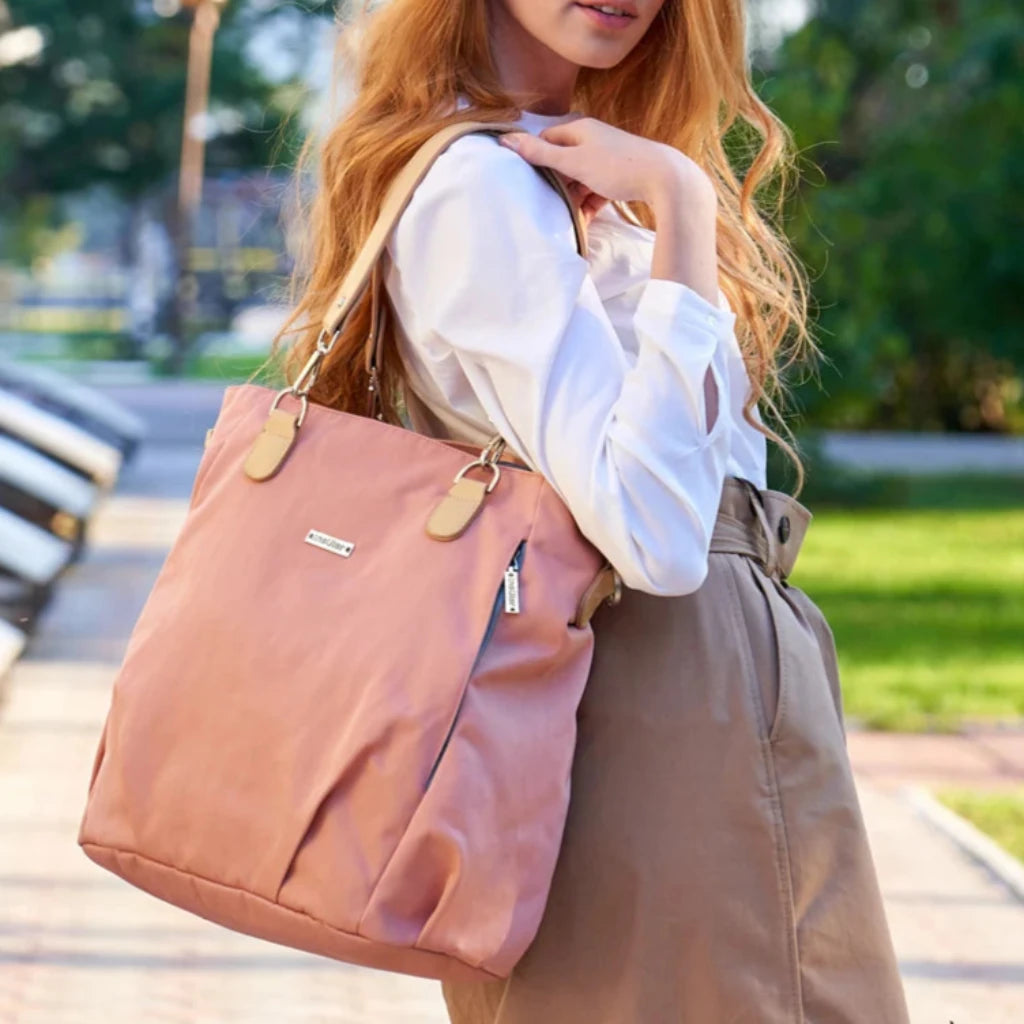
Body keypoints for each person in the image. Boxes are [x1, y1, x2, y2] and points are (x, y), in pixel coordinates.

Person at [277, 0, 911, 1020]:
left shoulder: (561, 175)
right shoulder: (480, 186)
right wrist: (682, 202)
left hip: (683, 701)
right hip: (646, 704)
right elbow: (656, 537)